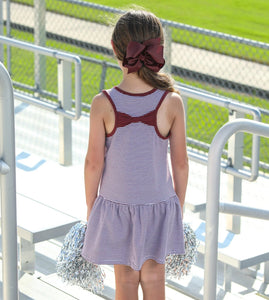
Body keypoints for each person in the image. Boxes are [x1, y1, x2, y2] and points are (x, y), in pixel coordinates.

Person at [81, 9, 189, 300]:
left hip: (117, 207)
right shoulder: (172, 101)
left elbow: (93, 163)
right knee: (155, 278)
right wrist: (177, 206)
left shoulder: (103, 103)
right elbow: (180, 163)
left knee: (125, 281)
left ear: (116, 49)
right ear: (158, 49)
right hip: (159, 207)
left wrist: (93, 208)